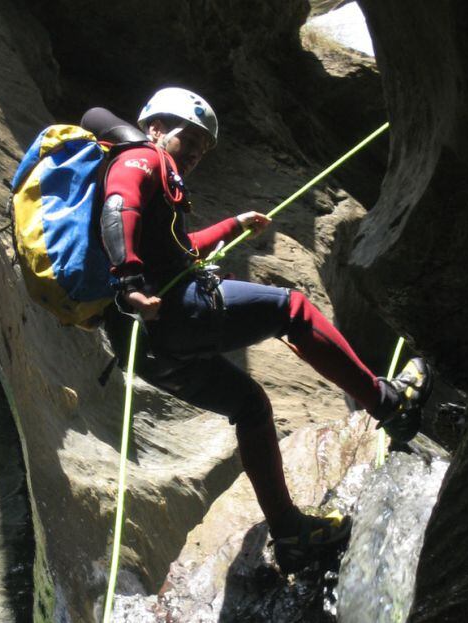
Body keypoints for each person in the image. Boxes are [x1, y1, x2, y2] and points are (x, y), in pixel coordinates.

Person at [84, 87, 433, 574]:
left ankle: (290, 534)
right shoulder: (142, 157)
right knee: (291, 307)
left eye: (206, 149)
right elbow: (119, 208)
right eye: (192, 140)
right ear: (157, 128)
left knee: (249, 406)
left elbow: (179, 250)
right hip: (169, 313)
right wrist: (130, 282)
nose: (198, 155)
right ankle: (388, 403)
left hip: (143, 349)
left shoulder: (153, 173)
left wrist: (231, 225)